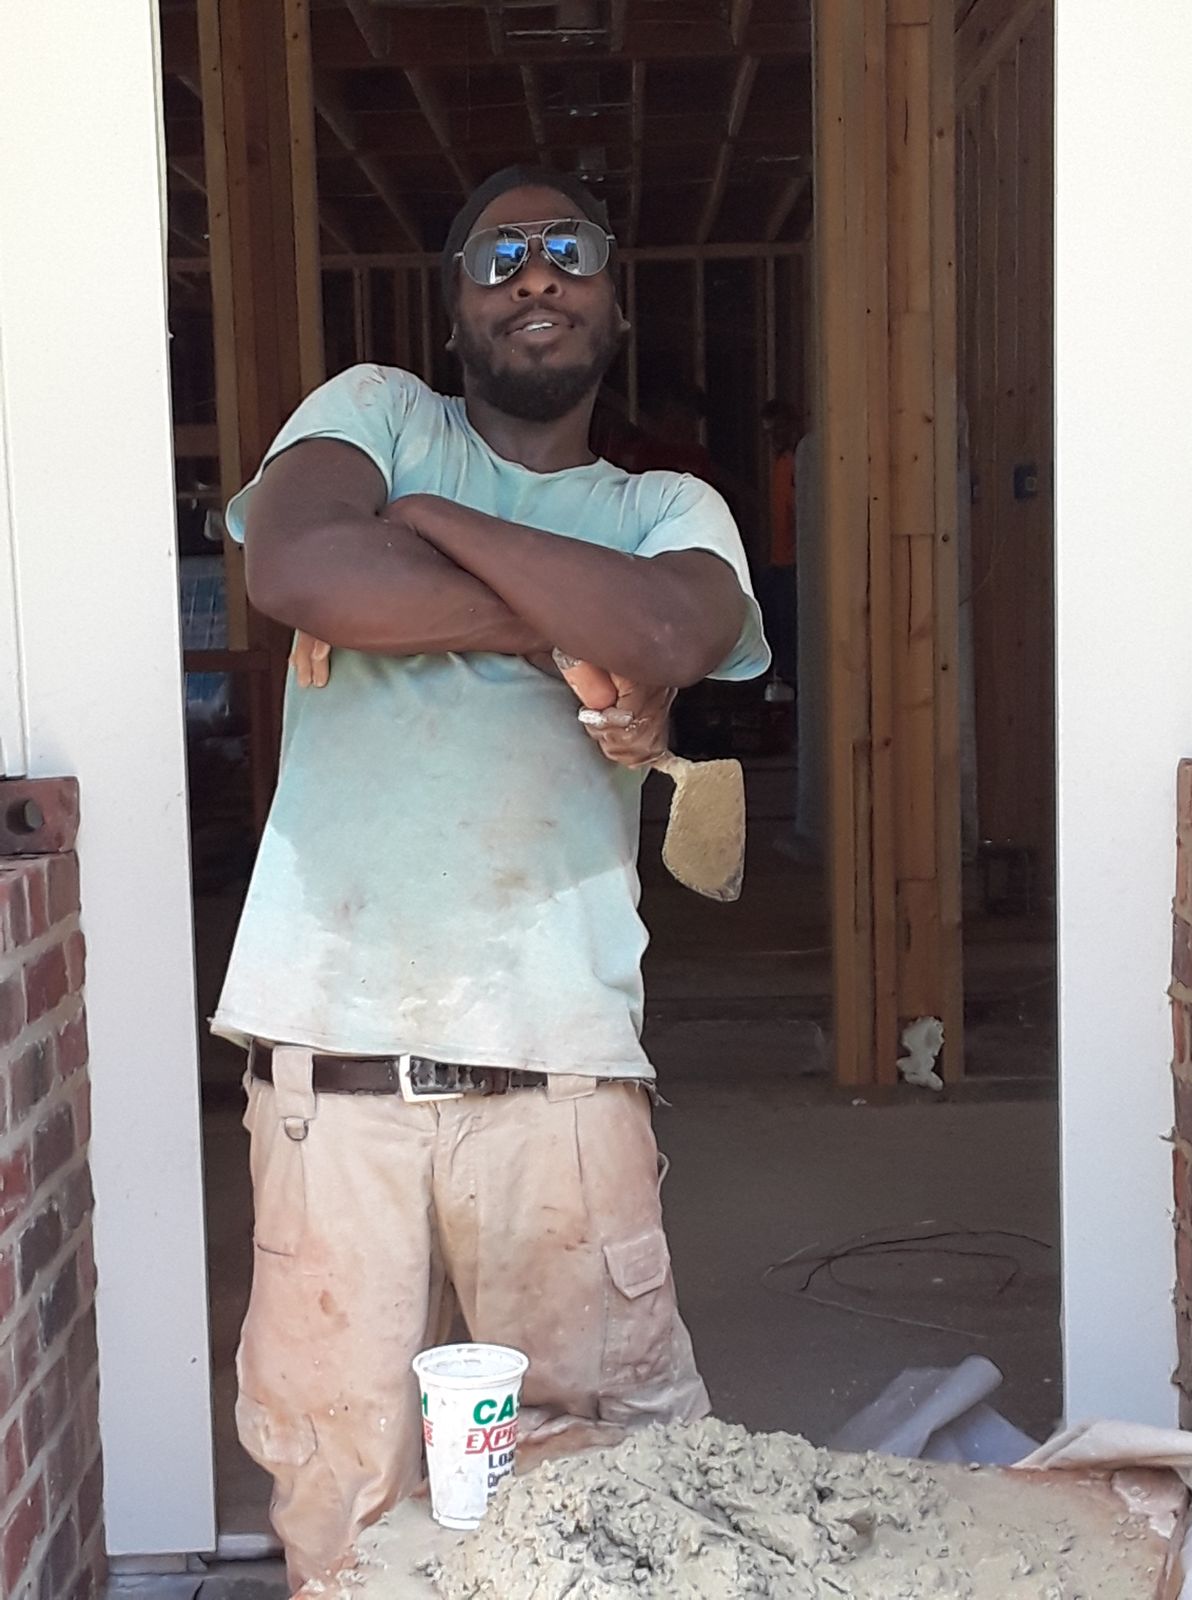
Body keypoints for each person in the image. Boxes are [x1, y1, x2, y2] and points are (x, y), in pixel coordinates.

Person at [214, 165, 770, 1591]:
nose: (536, 275)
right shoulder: (377, 415)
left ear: (616, 301)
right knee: (343, 1506)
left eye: (569, 250)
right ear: (454, 304)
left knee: (607, 1490)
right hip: (331, 1079)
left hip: (558, 1083)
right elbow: (296, 568)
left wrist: (432, 529)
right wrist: (555, 624)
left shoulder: (665, 503)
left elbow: (667, 631)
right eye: (500, 253)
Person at [759, 398, 801, 682]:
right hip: (779, 561)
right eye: (769, 433)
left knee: (790, 639)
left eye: (778, 430)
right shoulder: (781, 463)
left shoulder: (799, 463)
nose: (774, 438)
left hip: (794, 564)